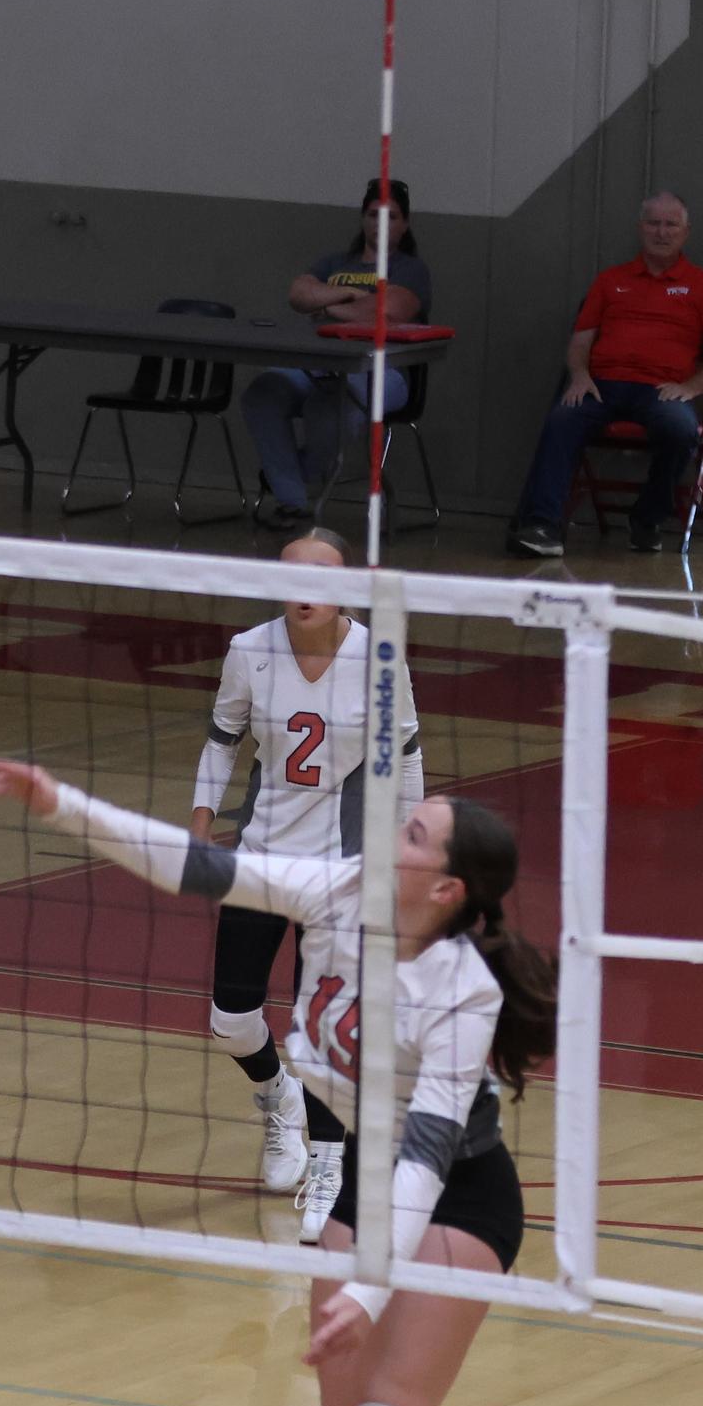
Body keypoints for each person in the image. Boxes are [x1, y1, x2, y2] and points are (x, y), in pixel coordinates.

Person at [0, 759, 555, 1406]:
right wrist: (60, 804)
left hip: (457, 1195)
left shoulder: (462, 990)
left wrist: (364, 1290)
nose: (392, 835)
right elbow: (201, 868)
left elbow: (424, 1153)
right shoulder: (340, 888)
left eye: (414, 834)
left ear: (449, 890)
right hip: (365, 1169)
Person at [192, 528, 423, 1240]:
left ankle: (330, 1165)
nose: (304, 590)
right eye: (292, 575)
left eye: (320, 576)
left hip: (342, 872)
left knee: (324, 1026)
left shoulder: (380, 661)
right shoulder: (249, 652)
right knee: (230, 1020)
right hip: (261, 859)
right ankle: (277, 1100)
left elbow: (407, 757)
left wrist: (412, 855)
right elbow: (223, 737)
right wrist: (201, 825)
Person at [511, 193, 703, 557]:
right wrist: (579, 374)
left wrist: (691, 388)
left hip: (662, 390)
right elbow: (580, 341)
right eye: (653, 223)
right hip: (602, 385)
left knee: (681, 432)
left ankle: (647, 520)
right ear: (640, 228)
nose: (661, 232)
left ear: (686, 232)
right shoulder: (610, 280)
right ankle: (543, 526)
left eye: (671, 225)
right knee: (563, 419)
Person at [241, 179, 433, 528]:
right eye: (373, 215)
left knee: (328, 404)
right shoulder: (335, 261)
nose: (380, 224)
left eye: (391, 217)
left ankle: (293, 477)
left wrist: (329, 305)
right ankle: (293, 503)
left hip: (383, 371)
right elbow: (299, 294)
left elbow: (387, 313)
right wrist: (351, 295)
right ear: (363, 219)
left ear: (405, 225)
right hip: (318, 364)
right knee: (263, 393)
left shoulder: (410, 269)